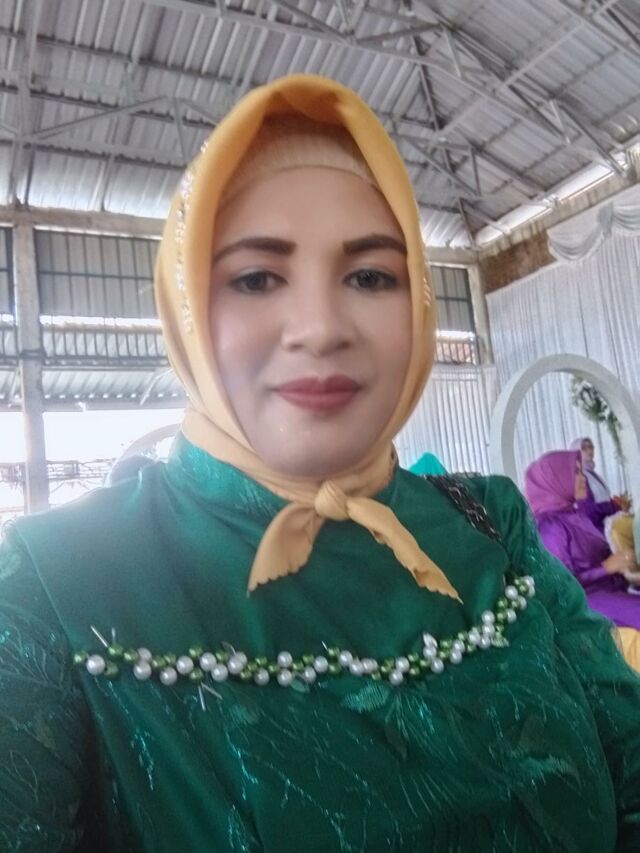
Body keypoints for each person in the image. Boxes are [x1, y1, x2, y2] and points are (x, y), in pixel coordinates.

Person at [1, 75, 640, 852]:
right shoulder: (54, 585)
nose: (320, 326)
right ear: (186, 306)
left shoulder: (490, 525)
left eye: (370, 276)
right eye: (256, 277)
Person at [525, 449, 640, 629]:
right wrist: (606, 567)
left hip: (610, 589)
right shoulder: (550, 527)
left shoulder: (574, 515)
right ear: (557, 480)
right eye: (576, 472)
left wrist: (625, 569)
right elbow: (559, 585)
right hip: (585, 601)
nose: (583, 478)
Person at [571, 435, 634, 551]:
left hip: (607, 523)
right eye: (584, 448)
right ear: (576, 452)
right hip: (597, 530)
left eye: (591, 447)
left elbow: (603, 500)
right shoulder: (580, 478)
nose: (589, 450)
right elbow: (588, 510)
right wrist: (615, 506)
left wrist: (619, 504)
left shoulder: (593, 474)